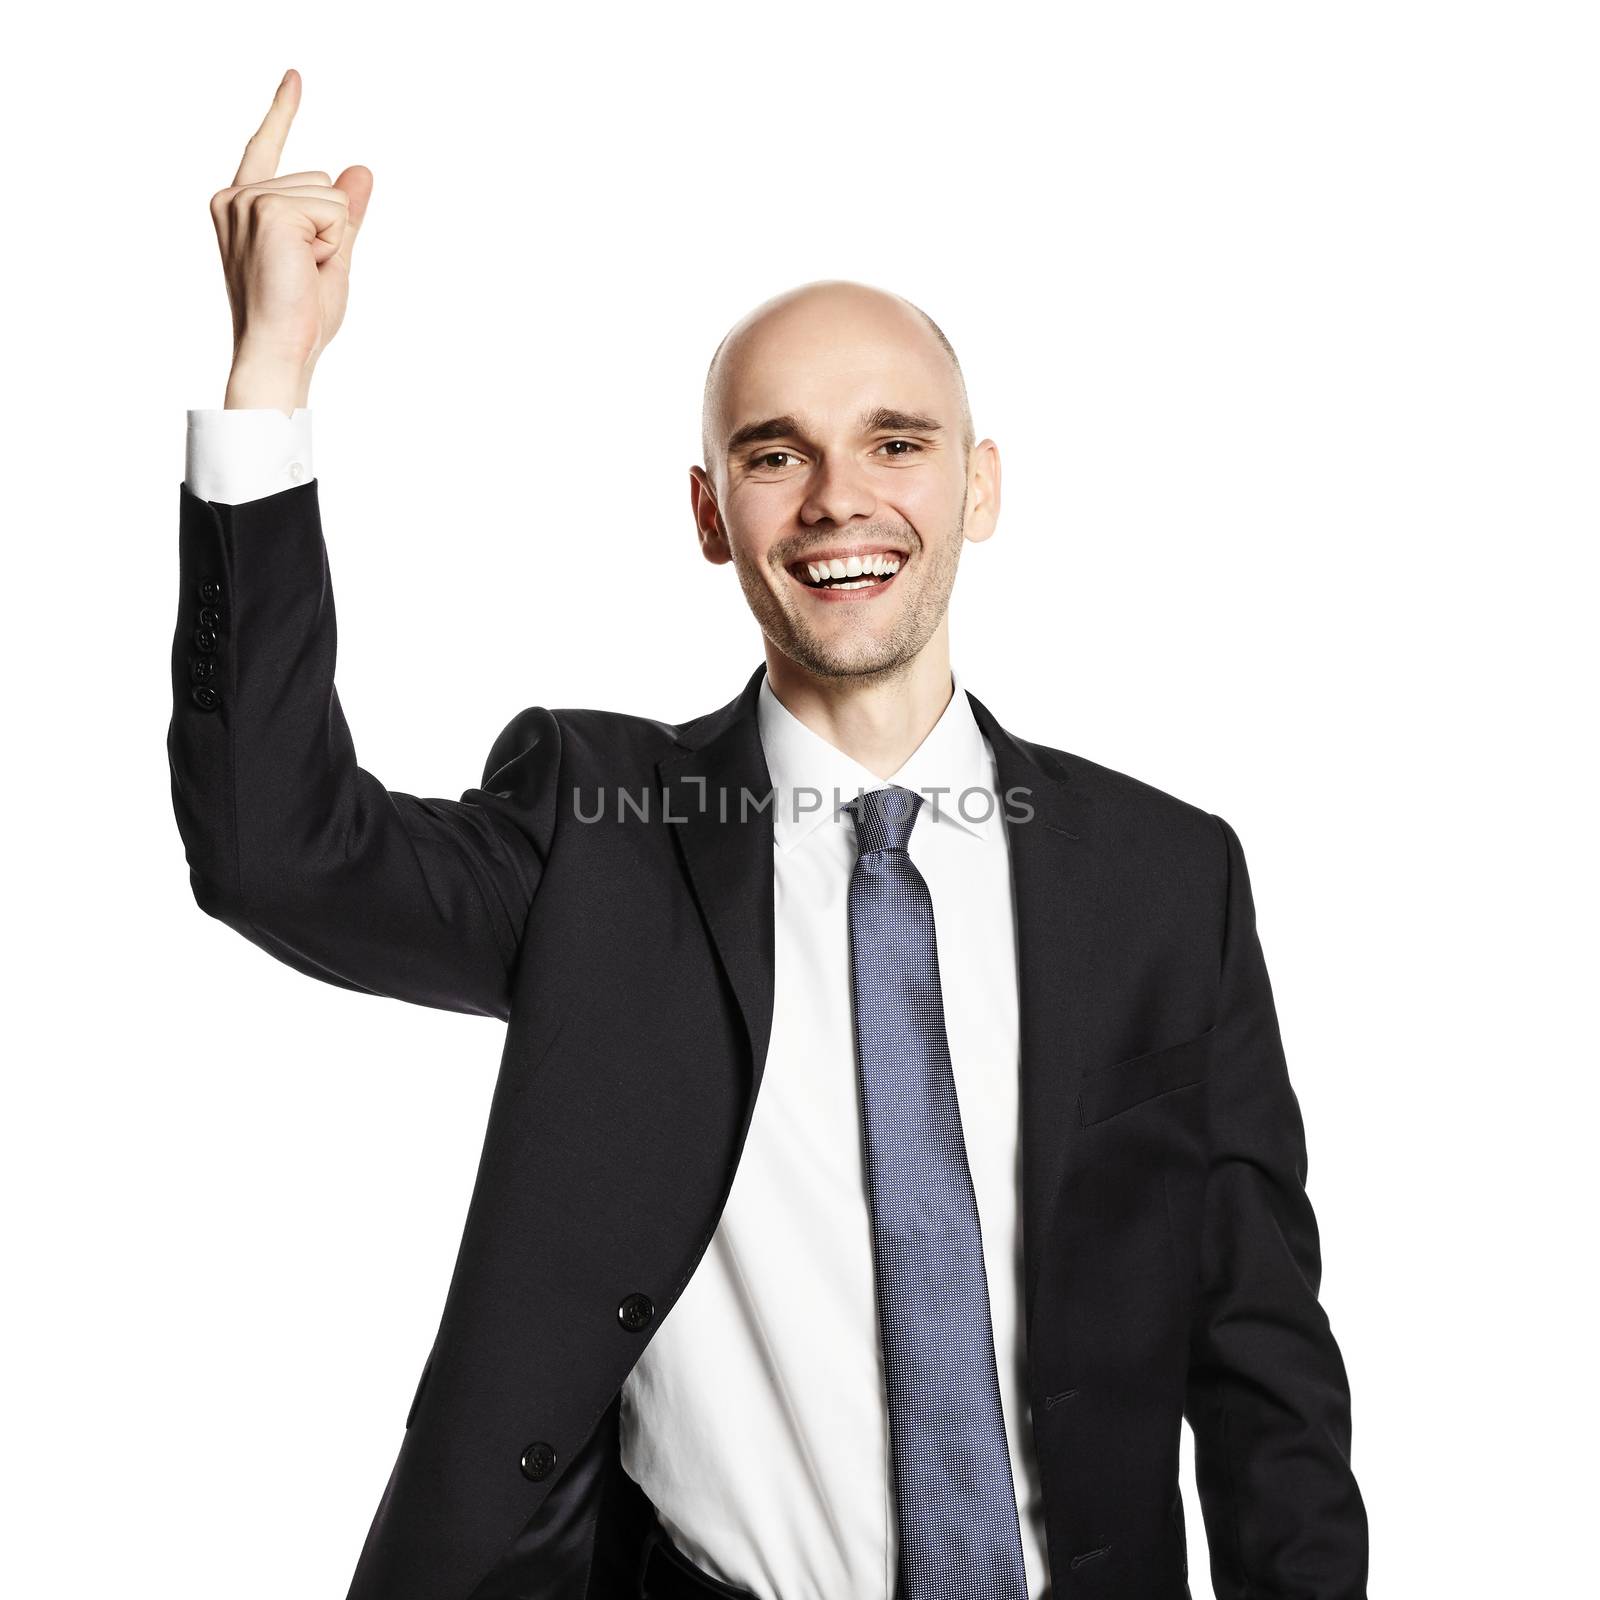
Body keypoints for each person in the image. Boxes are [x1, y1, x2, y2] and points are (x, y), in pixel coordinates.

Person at [169, 69, 1369, 1600]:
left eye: (897, 442)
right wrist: (272, 369)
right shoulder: (599, 834)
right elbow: (278, 855)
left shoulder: (1164, 877)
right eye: (774, 452)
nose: (837, 500)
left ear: (981, 484)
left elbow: (1264, 1357)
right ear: (708, 510)